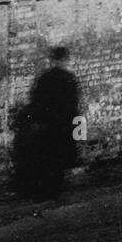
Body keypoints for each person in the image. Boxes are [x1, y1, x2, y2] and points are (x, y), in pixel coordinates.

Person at [25, 46, 81, 199]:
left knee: (48, 157)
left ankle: (47, 188)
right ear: (64, 60)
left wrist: (38, 123)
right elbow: (74, 107)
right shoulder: (69, 79)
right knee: (59, 157)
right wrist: (78, 132)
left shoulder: (44, 79)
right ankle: (55, 189)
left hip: (47, 125)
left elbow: (36, 103)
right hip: (63, 125)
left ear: (52, 59)